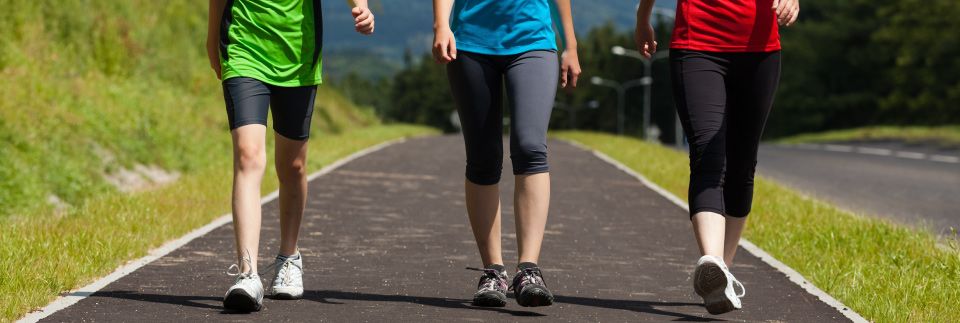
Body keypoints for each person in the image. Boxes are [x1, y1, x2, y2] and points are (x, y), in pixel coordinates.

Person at [205, 0, 375, 312]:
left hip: (298, 56)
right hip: (243, 47)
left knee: (293, 166)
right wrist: (211, 36)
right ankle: (247, 274)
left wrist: (361, 6)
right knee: (248, 155)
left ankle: (289, 256)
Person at [634, 0, 799, 315]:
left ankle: (720, 274)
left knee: (742, 164)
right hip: (698, 44)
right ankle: (711, 260)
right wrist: (643, 16)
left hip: (761, 49)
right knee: (708, 154)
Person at [432, 0, 581, 308]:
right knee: (483, 157)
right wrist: (441, 24)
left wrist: (570, 44)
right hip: (471, 42)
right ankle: (493, 272)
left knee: (530, 146)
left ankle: (529, 270)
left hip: (533, 41)